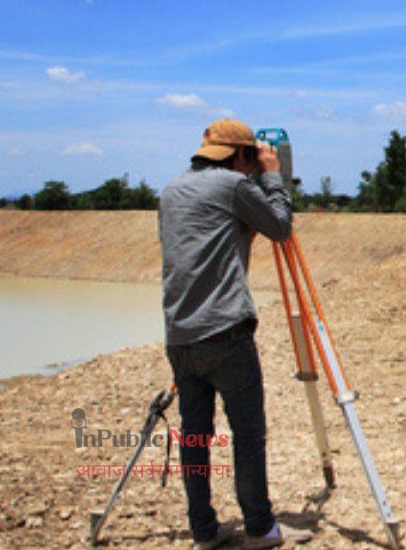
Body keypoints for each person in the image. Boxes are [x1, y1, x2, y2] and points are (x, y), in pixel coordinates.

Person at [159, 119, 312, 550]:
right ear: (241, 155)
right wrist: (273, 177)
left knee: (195, 436)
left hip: (180, 335)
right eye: (252, 157)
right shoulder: (233, 186)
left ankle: (204, 531)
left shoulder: (171, 190)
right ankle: (261, 528)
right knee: (247, 433)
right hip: (226, 331)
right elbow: (280, 226)